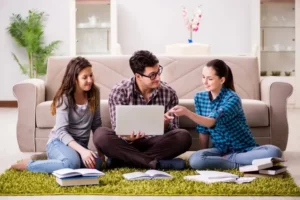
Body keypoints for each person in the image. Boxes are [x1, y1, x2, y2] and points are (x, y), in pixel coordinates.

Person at [169, 59, 282, 170]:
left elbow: (211, 121)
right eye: (203, 77)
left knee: (274, 151)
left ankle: (232, 161)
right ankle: (243, 163)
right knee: (196, 159)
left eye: (210, 79)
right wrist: (204, 152)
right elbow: (203, 129)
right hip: (220, 150)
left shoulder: (232, 99)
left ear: (222, 80)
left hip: (244, 149)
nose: (205, 82)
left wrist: (187, 113)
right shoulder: (200, 97)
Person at [93, 50, 192, 170]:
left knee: (184, 136)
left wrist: (165, 125)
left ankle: (122, 161)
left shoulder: (169, 93)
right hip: (127, 145)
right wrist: (128, 137)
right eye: (152, 75)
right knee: (100, 135)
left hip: (156, 143)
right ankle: (156, 163)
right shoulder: (119, 91)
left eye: (158, 72)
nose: (158, 78)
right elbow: (117, 128)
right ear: (138, 76)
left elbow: (174, 129)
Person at [10, 57, 103, 172]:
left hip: (79, 145)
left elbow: (96, 124)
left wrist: (100, 151)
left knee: (97, 164)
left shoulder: (95, 92)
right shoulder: (65, 97)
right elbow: (61, 131)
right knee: (72, 164)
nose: (90, 80)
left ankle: (55, 159)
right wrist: (83, 151)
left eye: (91, 75)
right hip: (59, 142)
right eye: (85, 77)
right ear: (75, 79)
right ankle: (29, 165)